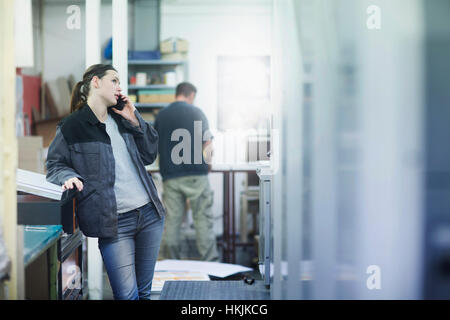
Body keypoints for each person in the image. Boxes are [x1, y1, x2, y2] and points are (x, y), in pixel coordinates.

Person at [46, 64, 165, 300]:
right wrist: (68, 175)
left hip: (150, 215)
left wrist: (135, 119)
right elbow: (54, 165)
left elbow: (150, 154)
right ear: (96, 82)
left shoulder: (122, 119)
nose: (119, 87)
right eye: (114, 80)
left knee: (145, 292)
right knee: (127, 296)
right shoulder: (72, 126)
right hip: (115, 224)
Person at [154, 82, 219, 262]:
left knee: (172, 222)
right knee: (203, 220)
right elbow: (208, 143)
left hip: (171, 176)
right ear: (190, 95)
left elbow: (154, 145)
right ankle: (210, 264)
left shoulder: (162, 115)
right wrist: (209, 162)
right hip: (196, 175)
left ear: (177, 94)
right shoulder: (197, 112)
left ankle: (171, 263)